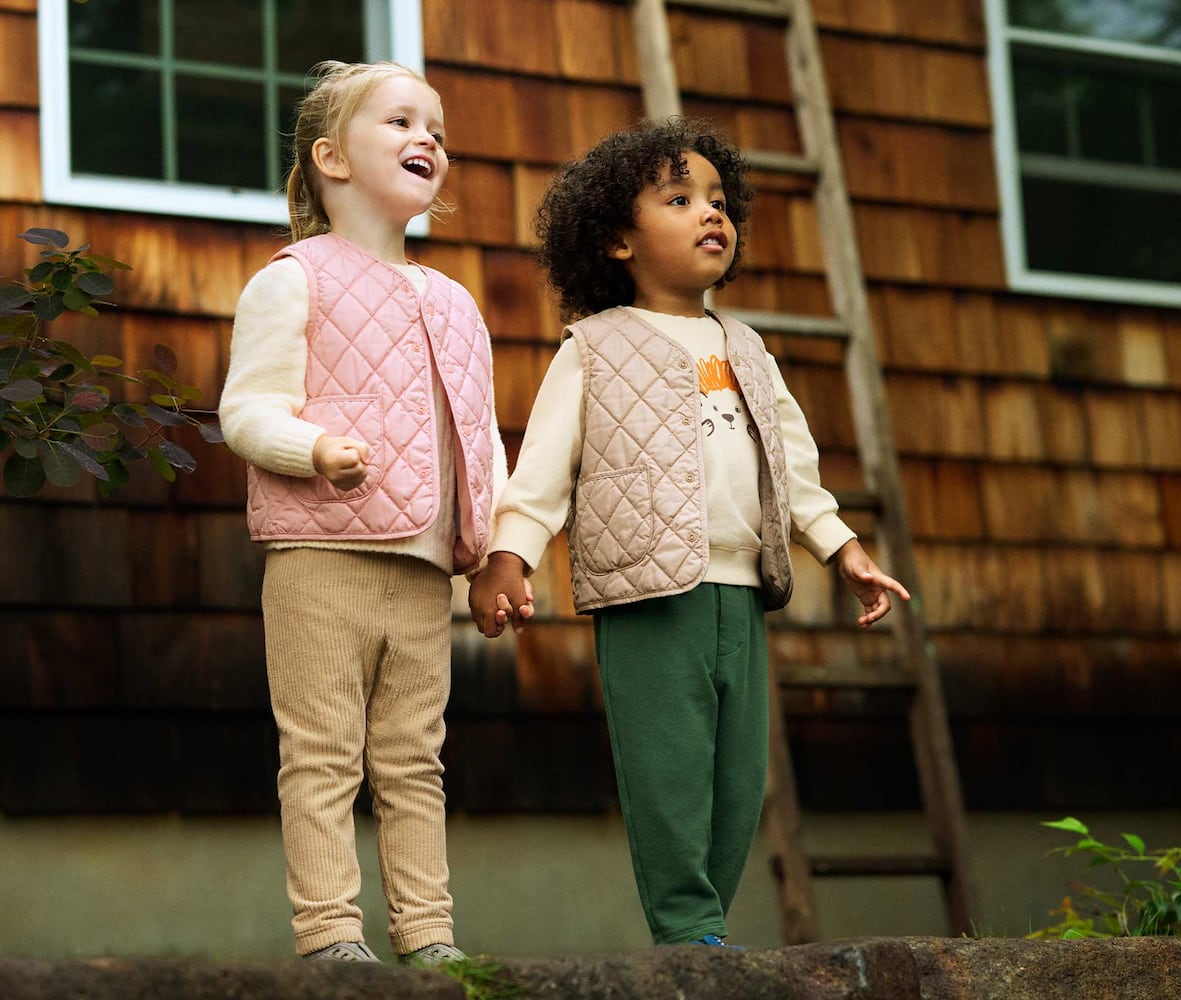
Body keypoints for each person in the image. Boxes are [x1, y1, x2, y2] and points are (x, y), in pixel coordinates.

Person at [468, 117, 909, 949]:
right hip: (648, 594)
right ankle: (688, 930)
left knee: (738, 779)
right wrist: (507, 556)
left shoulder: (746, 348)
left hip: (741, 592)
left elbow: (793, 468)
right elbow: (544, 470)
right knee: (667, 770)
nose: (711, 213)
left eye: (718, 200)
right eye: (679, 199)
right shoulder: (594, 347)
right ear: (616, 241)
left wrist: (842, 548)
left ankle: (706, 927)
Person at [217, 60, 521, 965]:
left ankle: (430, 939)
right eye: (398, 122)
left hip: (426, 575)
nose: (426, 138)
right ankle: (330, 939)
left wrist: (501, 555)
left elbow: (482, 443)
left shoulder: (457, 302)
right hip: (319, 559)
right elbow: (245, 412)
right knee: (319, 756)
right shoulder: (292, 280)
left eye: (436, 130)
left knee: (413, 762)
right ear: (331, 158)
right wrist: (310, 450)